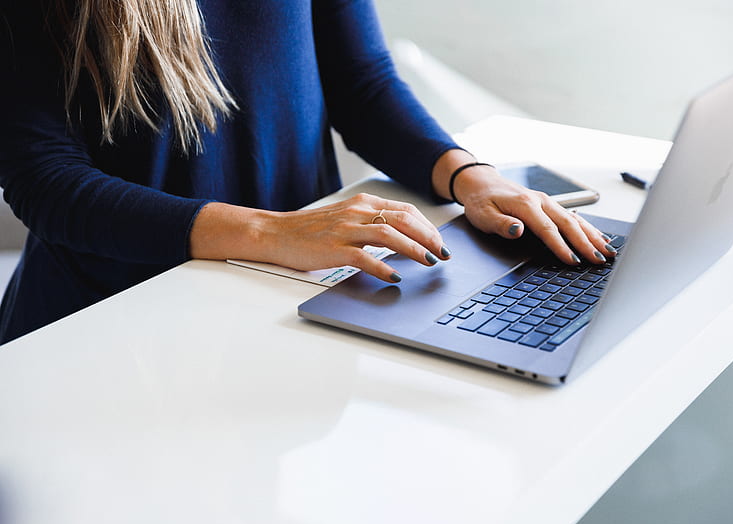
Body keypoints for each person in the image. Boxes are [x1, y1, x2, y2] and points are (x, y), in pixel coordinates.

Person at [0, 0, 615, 345]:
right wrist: (273, 233)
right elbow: (42, 177)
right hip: (115, 323)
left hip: (292, 295)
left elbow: (360, 80)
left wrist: (470, 177)